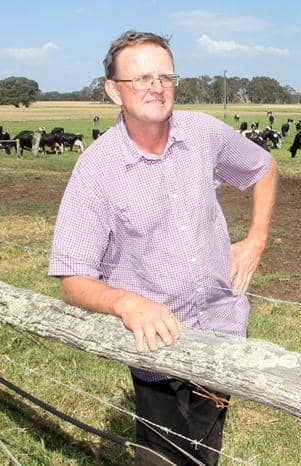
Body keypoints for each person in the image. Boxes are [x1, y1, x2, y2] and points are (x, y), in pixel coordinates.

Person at [49, 30, 277, 465]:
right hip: (157, 344)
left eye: (165, 76)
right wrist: (126, 303)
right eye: (141, 79)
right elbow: (72, 279)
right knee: (162, 455)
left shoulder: (205, 133)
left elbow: (263, 167)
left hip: (221, 327)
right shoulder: (96, 169)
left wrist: (255, 240)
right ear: (113, 91)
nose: (156, 87)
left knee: (207, 442)